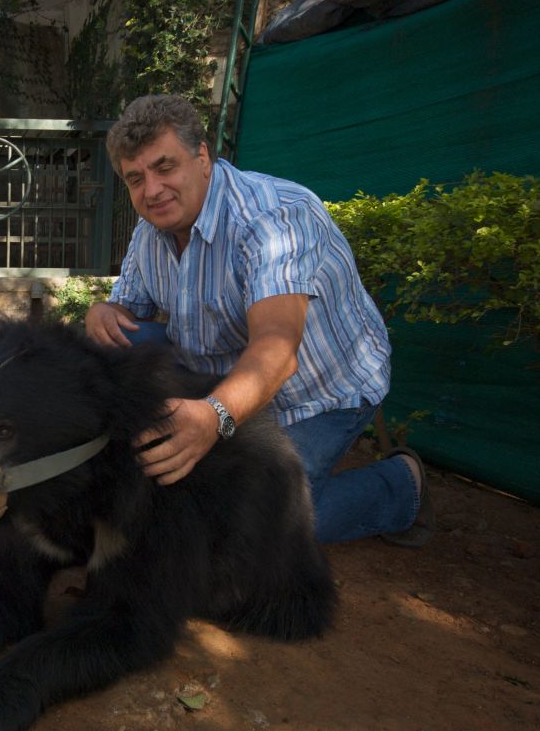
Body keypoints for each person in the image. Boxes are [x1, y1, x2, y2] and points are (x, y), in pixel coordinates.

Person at [86, 94, 433, 546]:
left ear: (203, 157)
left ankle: (400, 488)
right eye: (136, 179)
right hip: (220, 367)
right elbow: (128, 312)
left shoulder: (273, 217)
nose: (151, 190)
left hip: (317, 391)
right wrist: (105, 312)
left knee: (256, 528)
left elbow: (277, 347)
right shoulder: (151, 229)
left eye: (165, 167)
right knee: (117, 344)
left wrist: (212, 418)